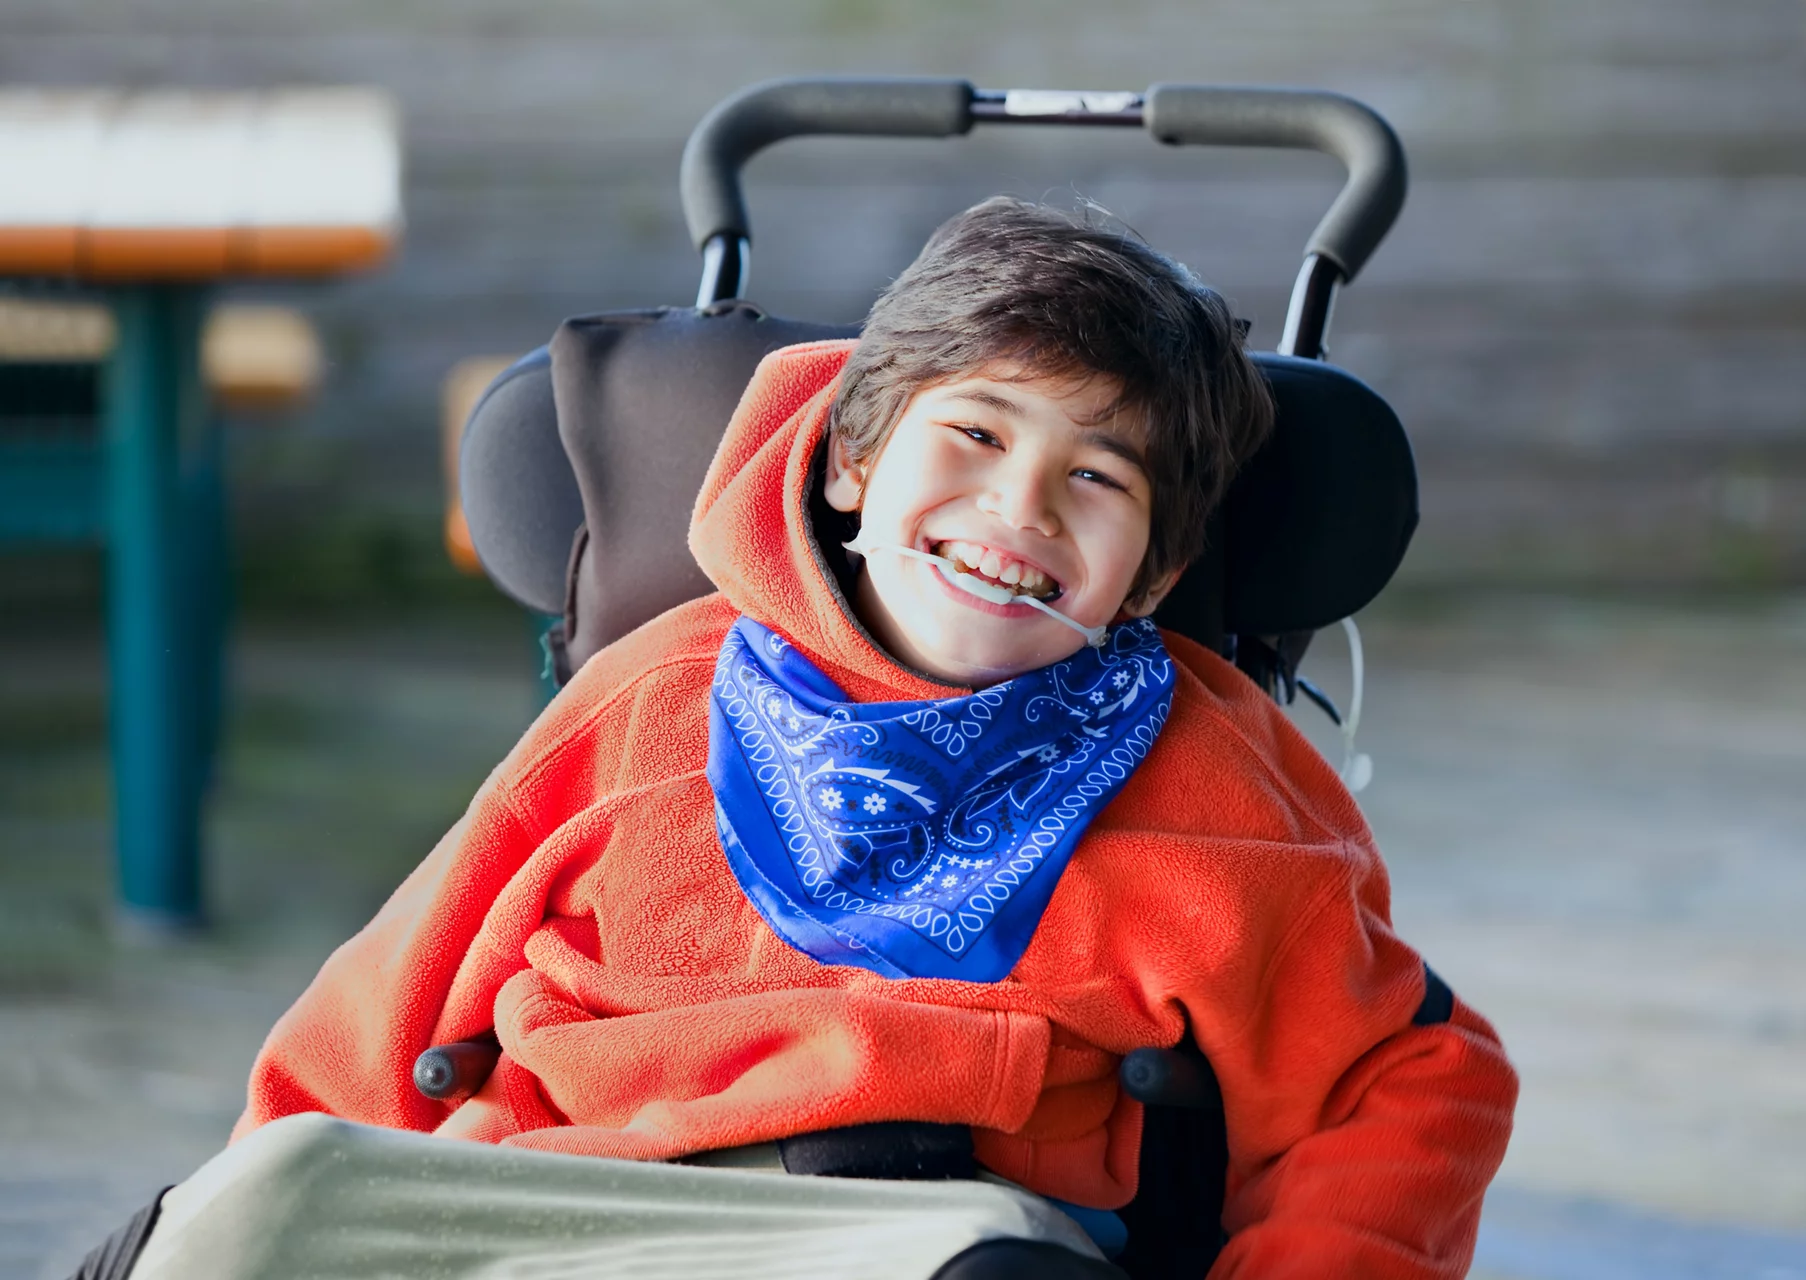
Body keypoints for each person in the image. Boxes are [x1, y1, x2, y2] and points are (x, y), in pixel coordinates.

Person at [117, 198, 1517, 1280]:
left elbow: (1409, 1076)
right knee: (263, 1197)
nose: (1019, 509)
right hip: (560, 1195)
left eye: (1094, 479)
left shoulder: (1213, 786)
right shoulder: (646, 694)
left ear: (1150, 575)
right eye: (971, 435)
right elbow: (385, 1005)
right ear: (852, 461)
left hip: (893, 1230)